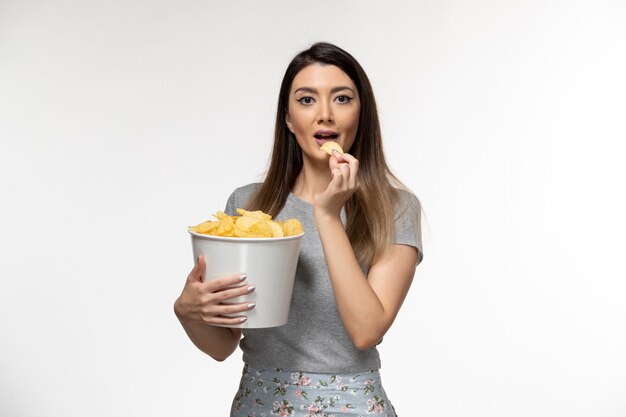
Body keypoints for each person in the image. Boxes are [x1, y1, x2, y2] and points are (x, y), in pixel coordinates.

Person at [174, 42, 423, 416]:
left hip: (353, 405)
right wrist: (188, 311)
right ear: (289, 119)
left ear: (361, 113)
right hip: (261, 403)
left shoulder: (395, 208)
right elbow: (222, 345)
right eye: (307, 100)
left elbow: (367, 330)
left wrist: (327, 214)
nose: (325, 115)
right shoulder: (249, 205)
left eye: (341, 98)